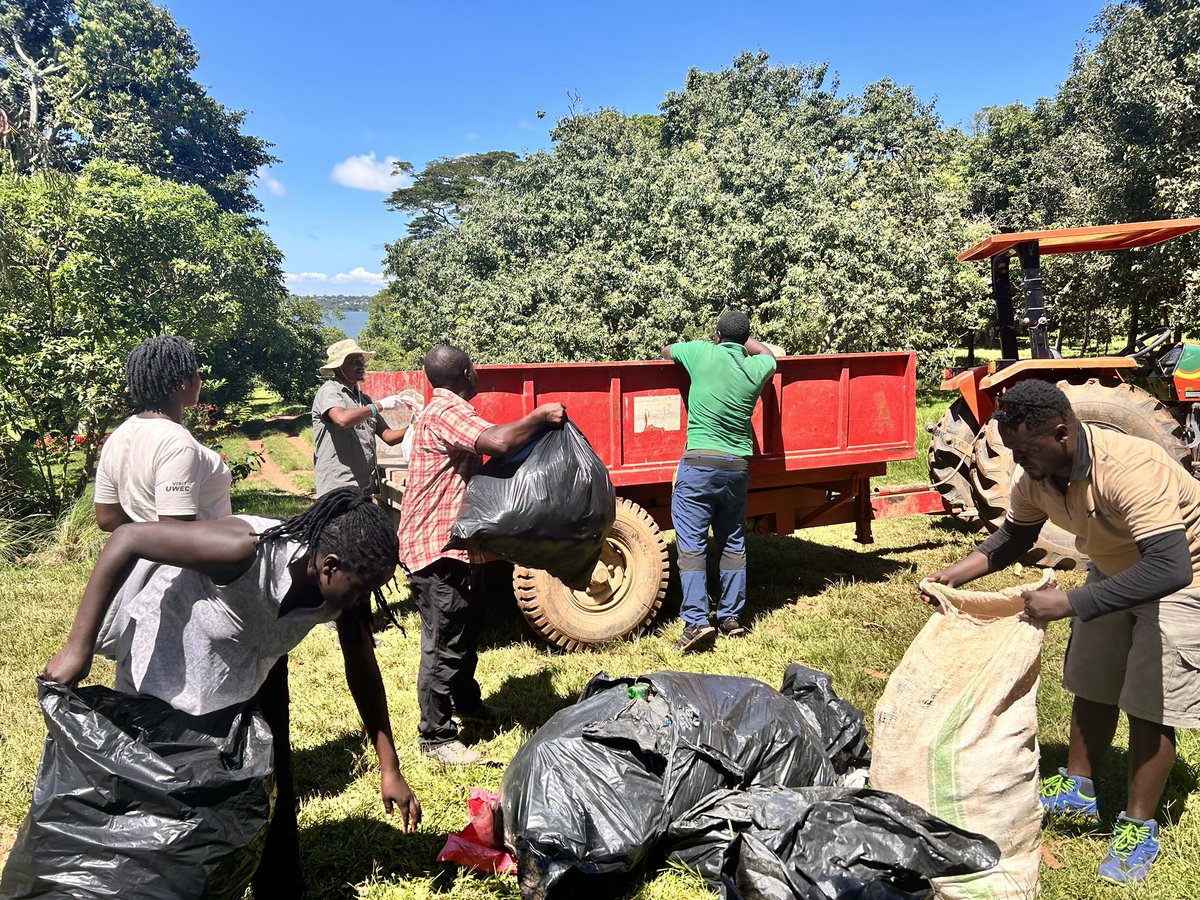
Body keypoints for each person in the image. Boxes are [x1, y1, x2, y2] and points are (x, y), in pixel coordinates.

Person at [44, 488, 422, 897]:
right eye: (361, 588)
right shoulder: (242, 550)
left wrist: (390, 768)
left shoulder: (345, 589)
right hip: (168, 669)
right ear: (329, 566)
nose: (363, 599)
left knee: (259, 786)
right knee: (161, 795)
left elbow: (362, 666)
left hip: (248, 672)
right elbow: (127, 539)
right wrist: (76, 647)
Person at [923, 378, 1200, 885]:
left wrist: (1071, 601)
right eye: (1013, 450)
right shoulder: (1036, 473)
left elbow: (1169, 567)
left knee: (1149, 701)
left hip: (1183, 576)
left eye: (1027, 450)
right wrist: (954, 574)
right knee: (1091, 682)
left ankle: (1138, 825)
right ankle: (1079, 787)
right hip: (1115, 568)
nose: (1019, 461)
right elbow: (1013, 536)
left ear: (1062, 431)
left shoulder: (1131, 467)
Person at [399, 344, 565, 765]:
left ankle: (467, 704)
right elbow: (497, 441)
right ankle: (435, 736)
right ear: (468, 373)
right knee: (443, 641)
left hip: (453, 547)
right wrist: (539, 416)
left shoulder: (443, 410)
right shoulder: (445, 411)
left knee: (467, 627)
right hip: (435, 548)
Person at [661, 309, 777, 652]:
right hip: (736, 468)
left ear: (716, 334)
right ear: (745, 338)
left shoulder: (700, 352)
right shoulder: (756, 367)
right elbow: (769, 355)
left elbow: (667, 350)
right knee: (732, 542)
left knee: (692, 546)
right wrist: (746, 344)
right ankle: (730, 619)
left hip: (698, 465)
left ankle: (696, 622)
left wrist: (712, 344)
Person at [94, 335, 232, 530]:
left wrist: (139, 541)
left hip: (143, 558)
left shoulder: (118, 436)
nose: (200, 380)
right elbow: (176, 532)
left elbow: (108, 519)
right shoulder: (178, 444)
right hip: (194, 560)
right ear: (184, 381)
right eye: (197, 373)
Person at [312, 339, 414, 497]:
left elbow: (388, 436)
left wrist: (416, 427)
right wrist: (378, 406)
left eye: (361, 361)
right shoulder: (330, 392)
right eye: (354, 361)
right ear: (338, 367)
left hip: (364, 488)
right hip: (339, 488)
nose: (361, 365)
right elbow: (342, 420)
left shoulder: (363, 400)